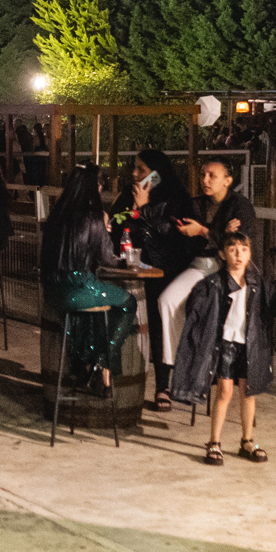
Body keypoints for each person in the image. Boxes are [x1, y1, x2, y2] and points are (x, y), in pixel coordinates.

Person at [171, 231, 276, 465]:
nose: (239, 255)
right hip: (226, 343)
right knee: (225, 392)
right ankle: (214, 442)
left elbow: (269, 308)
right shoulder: (214, 283)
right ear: (222, 254)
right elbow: (195, 309)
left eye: (244, 250)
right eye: (232, 250)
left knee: (249, 391)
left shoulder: (256, 283)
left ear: (250, 254)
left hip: (247, 343)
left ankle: (247, 440)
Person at [159, 157, 260, 380]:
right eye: (203, 174)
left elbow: (238, 244)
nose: (205, 180)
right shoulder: (196, 204)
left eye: (212, 175)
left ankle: (221, 366)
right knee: (167, 300)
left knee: (218, 313)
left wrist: (204, 231)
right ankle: (178, 361)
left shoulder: (240, 206)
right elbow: (187, 235)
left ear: (227, 180)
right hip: (200, 264)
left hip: (229, 268)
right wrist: (219, 232)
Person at [116, 148, 201, 411]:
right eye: (134, 167)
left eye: (141, 169)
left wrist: (143, 209)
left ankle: (162, 386)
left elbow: (172, 233)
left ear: (157, 174)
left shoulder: (176, 198)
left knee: (157, 324)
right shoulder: (130, 193)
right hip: (131, 266)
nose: (134, 173)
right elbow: (119, 223)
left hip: (164, 269)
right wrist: (125, 215)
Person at [38, 165, 133, 397]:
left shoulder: (57, 214)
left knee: (92, 311)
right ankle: (102, 362)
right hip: (79, 288)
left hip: (52, 292)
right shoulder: (94, 217)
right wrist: (106, 236)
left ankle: (84, 367)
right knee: (127, 303)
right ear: (95, 187)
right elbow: (107, 259)